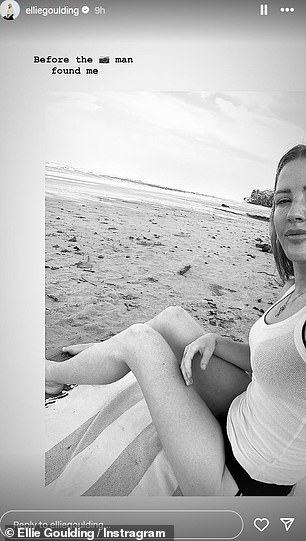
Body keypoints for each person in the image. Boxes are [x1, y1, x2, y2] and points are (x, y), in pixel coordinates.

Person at [45, 144, 306, 496]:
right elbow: (273, 359)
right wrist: (214, 339)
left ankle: (49, 375)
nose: (295, 212)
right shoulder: (294, 288)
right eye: (284, 199)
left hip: (232, 476)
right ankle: (107, 351)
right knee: (172, 318)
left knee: (139, 340)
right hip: (246, 405)